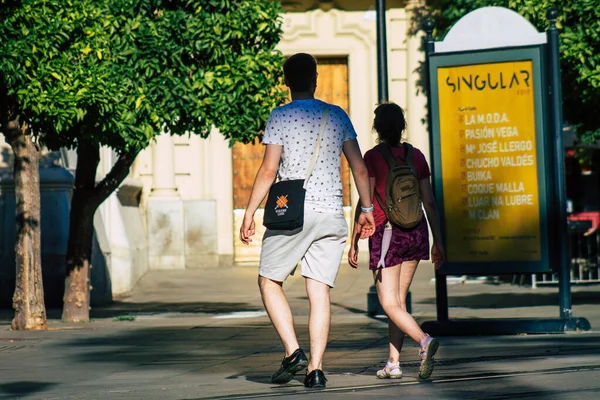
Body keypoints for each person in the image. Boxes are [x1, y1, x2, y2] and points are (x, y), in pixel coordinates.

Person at [239, 53, 375, 389]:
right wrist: (368, 209)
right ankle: (315, 370)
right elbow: (359, 167)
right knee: (319, 293)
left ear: (286, 81)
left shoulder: (280, 116)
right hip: (331, 213)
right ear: (316, 79)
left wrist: (250, 212)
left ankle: (292, 351)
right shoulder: (337, 115)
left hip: (292, 213)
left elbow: (269, 169)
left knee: (269, 281)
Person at [348, 102, 445, 380]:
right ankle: (393, 362)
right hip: (415, 231)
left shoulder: (372, 157)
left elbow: (365, 201)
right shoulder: (417, 156)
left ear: (376, 129)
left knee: (388, 302)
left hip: (385, 232)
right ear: (402, 126)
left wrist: (354, 239)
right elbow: (429, 202)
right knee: (398, 301)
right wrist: (437, 241)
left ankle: (424, 341)